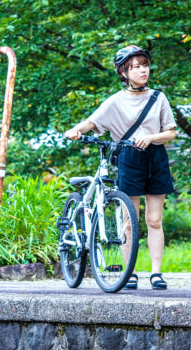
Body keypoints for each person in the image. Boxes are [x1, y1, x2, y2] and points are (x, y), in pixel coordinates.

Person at [65, 45, 177, 290]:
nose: (142, 70)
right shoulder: (115, 101)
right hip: (129, 158)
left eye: (144, 65)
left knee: (155, 220)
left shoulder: (158, 98)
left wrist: (150, 138)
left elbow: (170, 133)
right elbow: (92, 122)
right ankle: (131, 272)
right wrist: (75, 130)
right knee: (129, 221)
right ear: (124, 72)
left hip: (155, 157)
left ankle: (157, 273)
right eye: (135, 67)